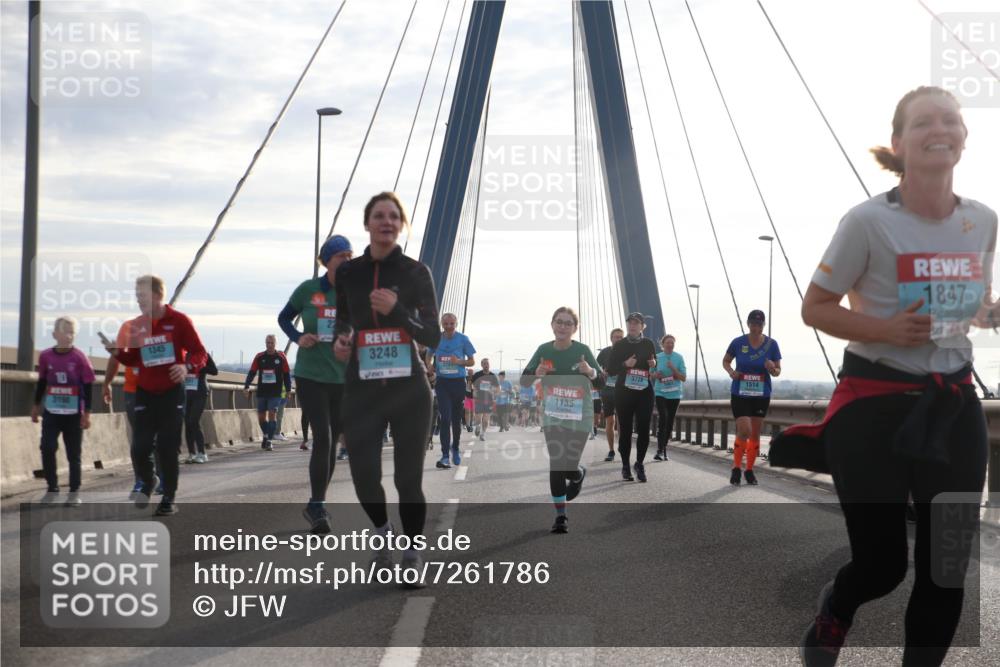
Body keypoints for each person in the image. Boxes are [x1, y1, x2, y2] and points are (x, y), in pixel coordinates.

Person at [778, 86, 996, 667]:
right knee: (881, 565)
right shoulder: (868, 221)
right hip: (874, 407)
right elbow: (815, 307)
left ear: (964, 137)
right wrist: (885, 328)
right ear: (899, 144)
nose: (939, 128)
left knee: (946, 569)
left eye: (950, 118)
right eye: (923, 122)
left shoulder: (983, 220)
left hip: (953, 406)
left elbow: (970, 304)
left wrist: (990, 312)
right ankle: (836, 607)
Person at [333, 191, 440, 585]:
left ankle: (411, 552)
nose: (387, 221)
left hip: (408, 388)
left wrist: (396, 311)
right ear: (367, 223)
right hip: (362, 387)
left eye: (394, 216)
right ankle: (382, 534)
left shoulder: (416, 272)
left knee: (407, 479)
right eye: (379, 215)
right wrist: (341, 341)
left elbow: (433, 335)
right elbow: (343, 322)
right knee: (363, 475)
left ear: (401, 225)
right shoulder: (349, 273)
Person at [104, 274, 208, 516]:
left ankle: (168, 498)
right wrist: (117, 352)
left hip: (171, 393)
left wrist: (186, 367)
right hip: (144, 393)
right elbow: (134, 359)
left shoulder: (179, 321)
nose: (138, 300)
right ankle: (148, 479)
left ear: (158, 295)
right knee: (140, 447)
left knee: (167, 447)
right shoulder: (138, 325)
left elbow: (199, 352)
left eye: (142, 295)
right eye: (137, 295)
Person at [279, 234, 353, 534]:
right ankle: (318, 505)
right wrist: (298, 337)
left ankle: (316, 502)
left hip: (342, 378)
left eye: (351, 256)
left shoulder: (355, 292)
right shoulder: (308, 290)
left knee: (333, 439)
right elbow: (284, 318)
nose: (348, 262)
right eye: (342, 257)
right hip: (311, 375)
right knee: (322, 435)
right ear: (327, 261)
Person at [520, 307, 601, 534]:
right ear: (552, 325)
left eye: (568, 323)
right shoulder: (543, 350)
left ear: (575, 328)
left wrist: (590, 372)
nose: (563, 326)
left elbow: (602, 382)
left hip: (580, 416)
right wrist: (536, 373)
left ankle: (577, 474)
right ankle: (561, 516)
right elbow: (525, 383)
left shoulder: (583, 350)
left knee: (568, 466)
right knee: (557, 463)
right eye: (559, 322)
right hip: (553, 416)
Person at [31, 316, 95, 506]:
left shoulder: (79, 357)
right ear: (55, 334)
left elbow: (89, 385)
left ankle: (74, 492)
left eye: (72, 332)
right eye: (66, 332)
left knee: (73, 453)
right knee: (47, 447)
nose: (70, 336)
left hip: (74, 413)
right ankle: (52, 488)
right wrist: (36, 406)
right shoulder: (46, 356)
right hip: (52, 411)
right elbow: (42, 381)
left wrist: (87, 413)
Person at [723, 310, 781, 486]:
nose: (756, 327)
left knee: (755, 434)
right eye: (753, 324)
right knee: (744, 430)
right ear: (748, 324)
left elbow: (777, 371)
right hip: (740, 393)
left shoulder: (772, 344)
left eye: (759, 324)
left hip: (761, 394)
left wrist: (772, 368)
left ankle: (749, 470)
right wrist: (731, 372)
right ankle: (735, 467)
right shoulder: (738, 342)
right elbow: (726, 361)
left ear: (763, 325)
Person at [605, 313, 657, 482]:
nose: (632, 326)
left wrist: (653, 364)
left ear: (642, 326)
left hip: (644, 391)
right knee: (625, 431)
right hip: (624, 392)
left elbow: (652, 362)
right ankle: (626, 466)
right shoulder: (620, 345)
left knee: (644, 430)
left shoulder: (648, 343)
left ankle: (639, 464)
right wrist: (624, 365)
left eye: (636, 323)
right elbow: (611, 369)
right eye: (630, 323)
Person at [425, 313, 476, 469]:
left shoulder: (463, 339)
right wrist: (430, 366)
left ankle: (455, 448)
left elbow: (472, 360)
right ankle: (445, 455)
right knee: (445, 419)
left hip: (458, 384)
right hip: (442, 383)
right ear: (441, 324)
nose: (448, 326)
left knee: (455, 420)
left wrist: (458, 361)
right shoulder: (436, 338)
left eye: (451, 323)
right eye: (445, 323)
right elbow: (428, 355)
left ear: (456, 323)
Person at [243, 335, 292, 452]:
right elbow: (252, 372)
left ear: (275, 344)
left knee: (272, 415)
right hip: (262, 391)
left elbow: (286, 374)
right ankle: (265, 434)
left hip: (275, 392)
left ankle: (269, 440)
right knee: (261, 418)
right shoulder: (260, 357)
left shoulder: (281, 357)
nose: (270, 345)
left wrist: (289, 389)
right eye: (268, 343)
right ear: (265, 343)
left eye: (272, 343)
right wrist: (246, 386)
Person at [653, 334, 686, 461]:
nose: (670, 345)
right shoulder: (657, 357)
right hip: (660, 392)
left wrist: (674, 369)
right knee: (663, 418)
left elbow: (683, 378)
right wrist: (656, 375)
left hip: (674, 394)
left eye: (672, 343)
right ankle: (660, 450)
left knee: (670, 422)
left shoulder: (679, 357)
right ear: (663, 344)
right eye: (668, 342)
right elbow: (650, 374)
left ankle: (664, 447)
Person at [184, 352, 218, 463]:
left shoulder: (204, 354)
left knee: (194, 420)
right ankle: (191, 454)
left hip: (200, 392)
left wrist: (202, 368)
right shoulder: (184, 354)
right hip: (187, 391)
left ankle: (202, 453)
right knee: (188, 422)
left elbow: (214, 371)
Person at [596, 328, 624, 461]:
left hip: (623, 390)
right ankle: (611, 450)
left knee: (622, 422)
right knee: (610, 421)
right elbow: (595, 367)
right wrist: (601, 373)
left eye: (620, 337)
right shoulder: (604, 352)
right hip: (607, 391)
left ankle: (623, 448)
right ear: (611, 338)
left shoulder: (628, 352)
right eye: (615, 337)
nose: (618, 339)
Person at [471, 358, 500, 441]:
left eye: (487, 363)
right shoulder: (477, 375)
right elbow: (471, 384)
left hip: (489, 400)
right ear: (482, 365)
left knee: (486, 419)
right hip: (479, 399)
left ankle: (483, 434)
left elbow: (498, 389)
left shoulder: (493, 376)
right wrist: (474, 391)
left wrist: (494, 392)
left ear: (489, 365)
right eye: (484, 364)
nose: (486, 365)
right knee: (478, 418)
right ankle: (477, 427)